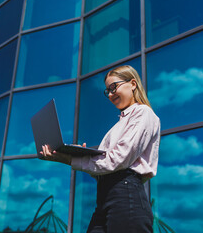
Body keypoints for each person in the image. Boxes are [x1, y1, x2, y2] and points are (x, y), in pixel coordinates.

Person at [40, 65, 160, 233]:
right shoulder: (117, 127)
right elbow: (103, 169)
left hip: (126, 194)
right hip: (106, 195)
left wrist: (71, 159)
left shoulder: (143, 113)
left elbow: (118, 160)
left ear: (133, 83)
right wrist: (74, 155)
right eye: (107, 91)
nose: (110, 94)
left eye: (113, 87)